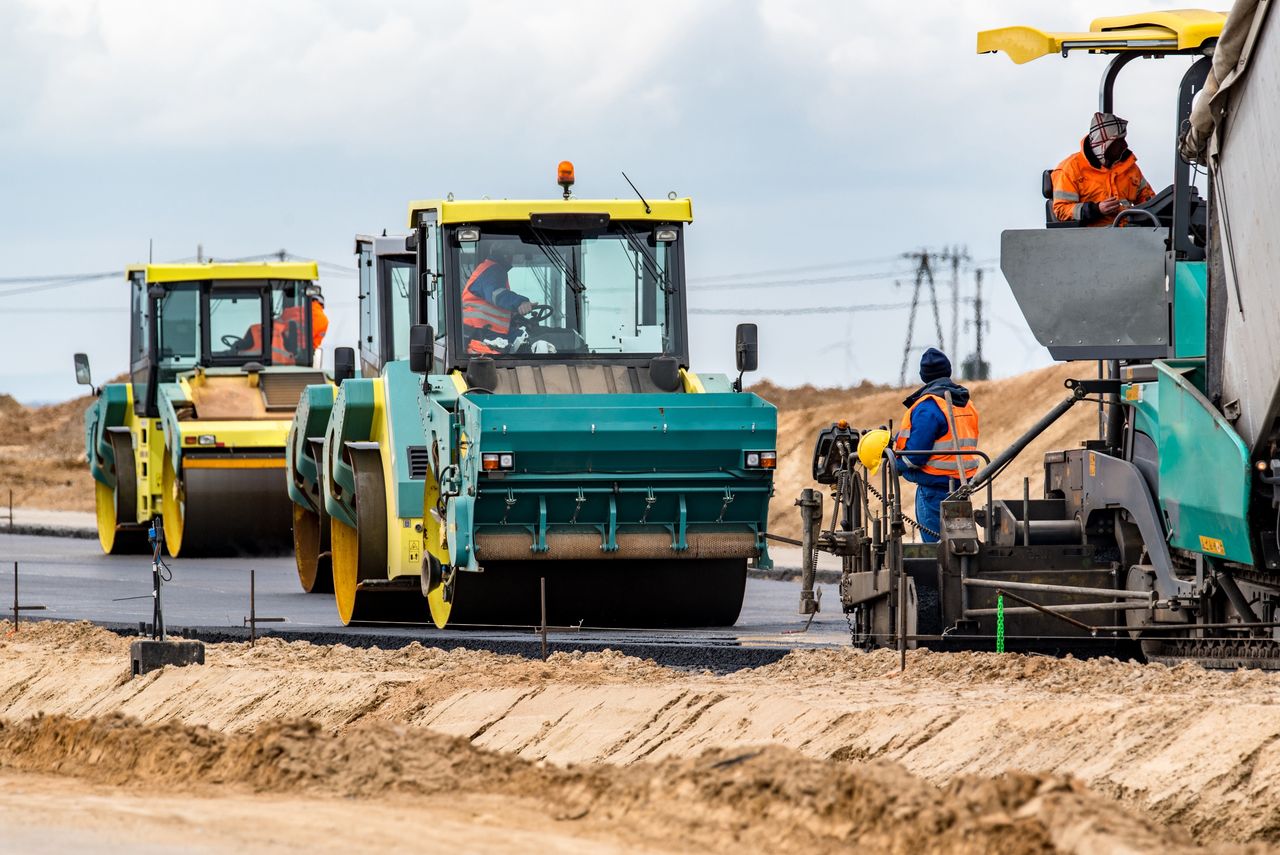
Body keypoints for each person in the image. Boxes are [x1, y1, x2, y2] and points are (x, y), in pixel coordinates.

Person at [892, 348, 980, 543]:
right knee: (959, 547)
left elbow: (914, 457)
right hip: (962, 487)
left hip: (934, 493)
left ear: (924, 376)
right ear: (948, 370)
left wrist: (894, 463)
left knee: (937, 552)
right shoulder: (966, 403)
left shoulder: (928, 407)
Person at [1051, 112, 1155, 227]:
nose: (1125, 145)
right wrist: (1096, 209)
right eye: (1119, 141)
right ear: (1104, 145)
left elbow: (1150, 202)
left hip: (1130, 233)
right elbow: (1061, 209)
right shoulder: (1070, 168)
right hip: (1093, 236)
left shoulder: (1130, 167)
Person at [462, 242, 536, 355]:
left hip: (487, 331)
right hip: (482, 333)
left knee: (524, 340)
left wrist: (514, 315)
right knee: (532, 342)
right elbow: (497, 294)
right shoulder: (493, 269)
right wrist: (520, 302)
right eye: (510, 253)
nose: (512, 258)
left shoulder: (491, 269)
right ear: (505, 255)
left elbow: (494, 305)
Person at [235, 293, 329, 365]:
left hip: (270, 354)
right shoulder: (324, 320)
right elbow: (313, 345)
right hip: (294, 358)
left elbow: (277, 324)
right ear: (322, 304)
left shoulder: (292, 311)